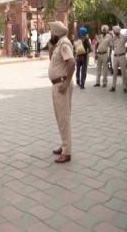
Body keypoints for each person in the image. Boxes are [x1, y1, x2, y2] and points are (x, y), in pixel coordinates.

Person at [48, 21, 75, 164]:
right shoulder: (58, 44)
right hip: (57, 84)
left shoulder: (64, 44)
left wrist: (65, 83)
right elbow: (54, 63)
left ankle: (67, 152)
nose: (51, 35)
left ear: (57, 33)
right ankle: (64, 144)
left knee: (64, 118)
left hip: (61, 84)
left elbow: (71, 63)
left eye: (52, 32)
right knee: (60, 117)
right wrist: (51, 49)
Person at [110, 25, 127, 93]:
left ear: (118, 31)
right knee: (115, 72)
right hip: (115, 56)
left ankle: (124, 87)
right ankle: (113, 86)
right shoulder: (113, 38)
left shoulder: (124, 38)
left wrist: (124, 52)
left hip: (122, 56)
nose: (114, 32)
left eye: (114, 31)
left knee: (124, 72)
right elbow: (112, 46)